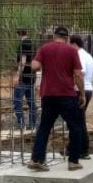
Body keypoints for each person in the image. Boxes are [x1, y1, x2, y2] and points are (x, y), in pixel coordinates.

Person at [28, 26, 86, 172]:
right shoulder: (72, 50)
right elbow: (78, 75)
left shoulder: (45, 48)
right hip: (67, 95)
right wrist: (82, 94)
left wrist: (44, 65)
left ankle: (37, 159)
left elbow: (34, 66)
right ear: (67, 38)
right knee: (75, 127)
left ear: (54, 36)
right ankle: (73, 161)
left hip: (48, 95)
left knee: (44, 127)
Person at [69, 35, 93, 159]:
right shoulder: (87, 55)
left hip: (80, 90)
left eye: (69, 44)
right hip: (87, 89)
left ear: (74, 44)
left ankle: (82, 150)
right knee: (78, 120)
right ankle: (75, 148)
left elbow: (80, 73)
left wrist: (73, 87)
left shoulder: (79, 55)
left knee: (77, 121)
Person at [12, 28, 37, 128]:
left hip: (23, 77)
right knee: (31, 102)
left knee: (17, 101)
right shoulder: (33, 44)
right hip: (31, 77)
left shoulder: (23, 44)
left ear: (18, 35)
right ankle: (32, 124)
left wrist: (17, 75)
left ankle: (21, 124)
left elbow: (22, 61)